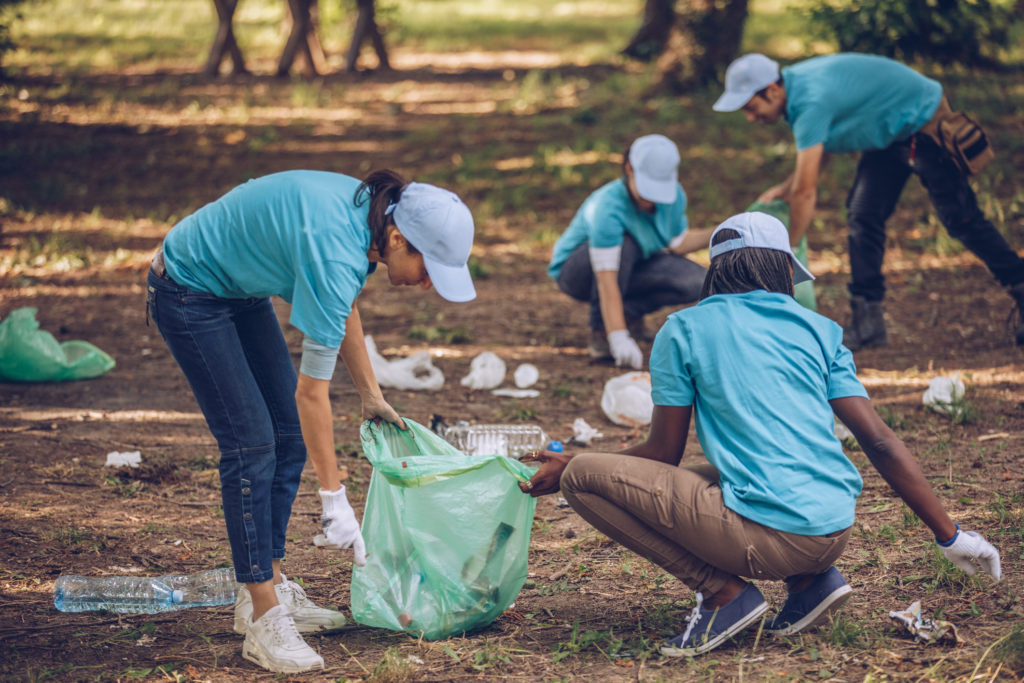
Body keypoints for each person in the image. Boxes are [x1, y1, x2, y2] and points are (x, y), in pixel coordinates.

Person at [519, 211, 1001, 657]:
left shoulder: (683, 329)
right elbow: (880, 441)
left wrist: (576, 464)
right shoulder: (820, 329)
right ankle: (811, 583)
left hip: (775, 539)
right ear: (784, 272)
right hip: (834, 527)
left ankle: (724, 594)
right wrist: (951, 535)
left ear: (714, 273)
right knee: (707, 475)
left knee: (582, 477)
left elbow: (661, 453)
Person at [146, 169, 476, 673]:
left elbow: (340, 307)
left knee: (285, 437)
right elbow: (312, 394)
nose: (430, 283)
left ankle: (268, 583)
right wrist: (333, 497)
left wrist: (371, 396)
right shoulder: (337, 248)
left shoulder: (368, 226)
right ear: (397, 238)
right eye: (430, 267)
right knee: (251, 445)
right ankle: (263, 616)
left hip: (239, 288)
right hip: (189, 288)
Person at [712, 52, 1024, 350]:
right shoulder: (795, 93)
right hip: (888, 133)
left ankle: (1019, 285)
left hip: (922, 120)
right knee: (863, 215)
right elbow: (818, 157)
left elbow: (806, 192)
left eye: (751, 108)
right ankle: (868, 322)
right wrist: (784, 188)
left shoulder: (809, 100)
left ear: (772, 89)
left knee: (962, 220)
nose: (751, 118)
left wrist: (788, 252)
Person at [547, 134, 712, 368]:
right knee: (625, 243)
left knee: (698, 281)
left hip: (634, 265)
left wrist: (722, 231)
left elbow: (678, 244)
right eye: (648, 189)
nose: (652, 199)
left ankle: (627, 314)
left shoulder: (675, 197)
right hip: (578, 272)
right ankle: (602, 331)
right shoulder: (608, 206)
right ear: (629, 169)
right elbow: (606, 279)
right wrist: (618, 336)